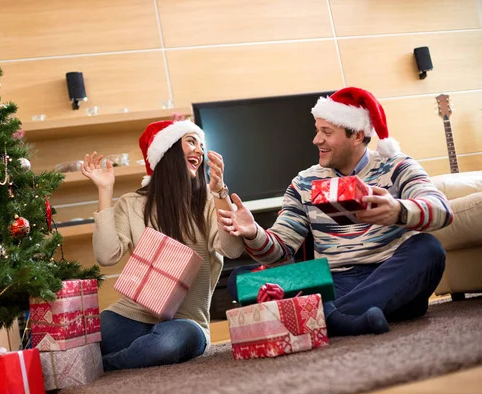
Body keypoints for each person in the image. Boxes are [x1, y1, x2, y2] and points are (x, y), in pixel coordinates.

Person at [218, 87, 453, 337]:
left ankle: (327, 317)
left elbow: (442, 209)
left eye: (326, 132)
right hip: (332, 281)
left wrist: (398, 210)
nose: (316, 140)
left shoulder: (397, 166)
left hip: (389, 274)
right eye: (317, 130)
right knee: (242, 280)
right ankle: (346, 317)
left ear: (357, 135)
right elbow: (279, 252)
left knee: (429, 249)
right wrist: (253, 232)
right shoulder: (304, 182)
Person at [82, 119, 244, 370]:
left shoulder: (208, 203)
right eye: (191, 141)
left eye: (201, 144)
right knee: (84, 341)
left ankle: (105, 367)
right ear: (166, 150)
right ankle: (130, 353)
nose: (200, 151)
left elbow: (233, 249)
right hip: (133, 313)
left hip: (187, 322)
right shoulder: (132, 204)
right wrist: (105, 190)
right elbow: (106, 256)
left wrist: (220, 192)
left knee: (165, 344)